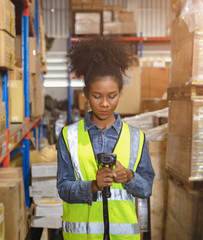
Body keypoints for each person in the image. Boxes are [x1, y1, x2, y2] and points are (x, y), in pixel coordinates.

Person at [57, 37, 155, 240]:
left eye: (112, 96)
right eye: (96, 96)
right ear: (85, 93)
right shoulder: (69, 136)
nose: (104, 104)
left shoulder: (137, 137)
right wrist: (92, 186)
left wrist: (129, 177)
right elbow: (63, 188)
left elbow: (146, 189)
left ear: (120, 93)